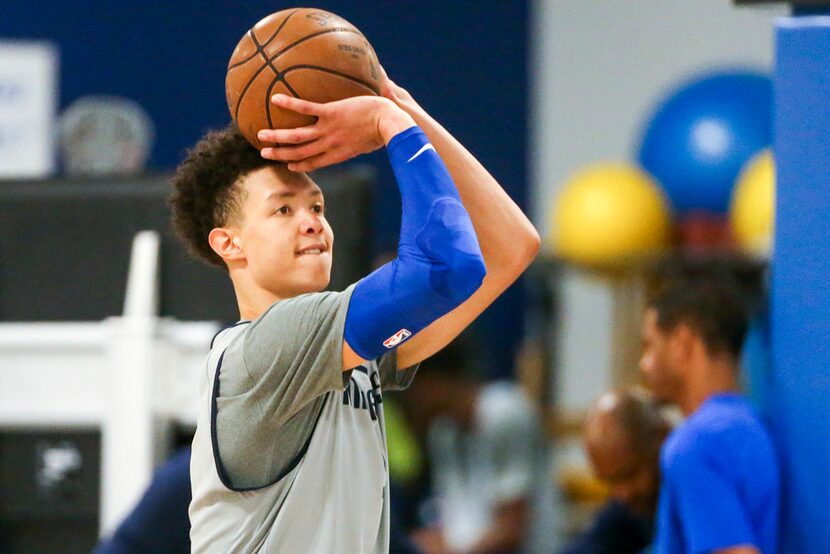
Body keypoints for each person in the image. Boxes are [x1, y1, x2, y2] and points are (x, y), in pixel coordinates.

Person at [169, 68, 540, 553]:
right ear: (229, 243)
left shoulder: (351, 354)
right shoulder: (268, 346)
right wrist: (391, 124)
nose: (311, 224)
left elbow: (513, 247)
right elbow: (443, 265)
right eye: (284, 209)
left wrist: (405, 108)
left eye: (317, 208)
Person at [640, 275, 780, 554]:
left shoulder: (694, 444)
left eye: (649, 346)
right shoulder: (752, 427)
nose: (643, 364)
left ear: (683, 343)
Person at [403, 337, 546, 554]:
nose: (410, 398)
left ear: (434, 383)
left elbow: (512, 529)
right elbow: (452, 522)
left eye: (412, 386)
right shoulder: (442, 433)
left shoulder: (504, 411)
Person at [562, 388, 670, 554]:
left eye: (629, 475)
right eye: (611, 482)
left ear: (662, 438)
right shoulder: (630, 508)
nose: (623, 494)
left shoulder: (696, 494)